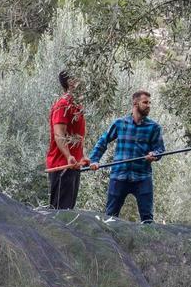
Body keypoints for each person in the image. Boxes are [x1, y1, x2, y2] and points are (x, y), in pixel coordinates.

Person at [89, 90, 165, 223]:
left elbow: (160, 149)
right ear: (135, 103)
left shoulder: (154, 127)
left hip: (143, 177)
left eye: (150, 103)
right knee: (110, 217)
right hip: (119, 176)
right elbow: (103, 141)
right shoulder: (120, 123)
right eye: (145, 102)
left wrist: (154, 154)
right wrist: (94, 160)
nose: (148, 105)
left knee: (147, 220)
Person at [46, 70, 90, 209]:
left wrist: (82, 156)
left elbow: (78, 136)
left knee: (68, 212)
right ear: (70, 82)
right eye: (78, 77)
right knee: (59, 214)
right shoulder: (62, 105)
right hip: (62, 166)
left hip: (73, 166)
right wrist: (69, 156)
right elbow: (59, 134)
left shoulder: (77, 106)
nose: (82, 80)